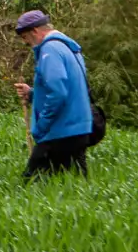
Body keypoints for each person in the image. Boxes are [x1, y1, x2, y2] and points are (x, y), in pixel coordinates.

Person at [12, 9, 93, 179]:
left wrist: (41, 126)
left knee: (31, 185)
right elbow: (69, 89)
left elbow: (58, 93)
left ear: (35, 31)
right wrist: (33, 94)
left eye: (25, 37)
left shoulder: (50, 50)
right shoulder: (68, 47)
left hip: (60, 132)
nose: (26, 42)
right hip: (78, 129)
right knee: (76, 187)